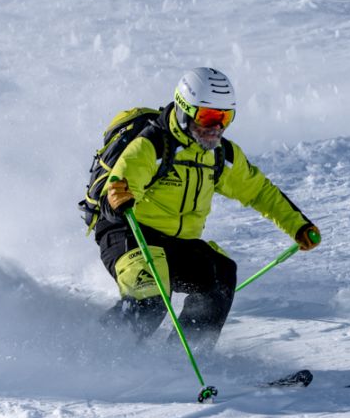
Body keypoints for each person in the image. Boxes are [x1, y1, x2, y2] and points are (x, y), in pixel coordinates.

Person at [95, 67, 320, 351]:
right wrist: (119, 198)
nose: (216, 128)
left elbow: (259, 191)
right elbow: (121, 185)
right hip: (129, 233)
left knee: (220, 275)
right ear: (184, 111)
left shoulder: (220, 156)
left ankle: (185, 356)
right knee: (150, 301)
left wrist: (297, 226)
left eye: (225, 118)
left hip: (176, 244)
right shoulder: (152, 146)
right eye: (208, 117)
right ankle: (97, 352)